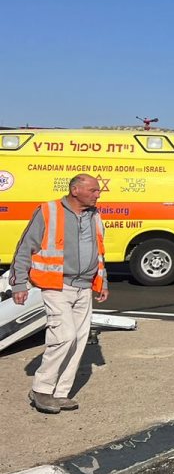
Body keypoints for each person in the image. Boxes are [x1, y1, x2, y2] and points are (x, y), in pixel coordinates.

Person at [9, 173, 108, 414]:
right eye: (93, 190)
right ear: (75, 190)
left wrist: (102, 281)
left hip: (84, 287)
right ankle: (41, 390)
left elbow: (99, 251)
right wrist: (19, 283)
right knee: (64, 336)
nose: (98, 194)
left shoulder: (94, 215)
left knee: (78, 340)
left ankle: (61, 392)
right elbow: (25, 247)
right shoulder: (48, 211)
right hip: (56, 285)